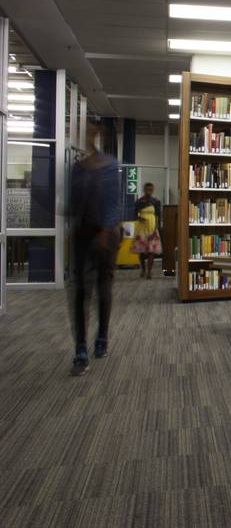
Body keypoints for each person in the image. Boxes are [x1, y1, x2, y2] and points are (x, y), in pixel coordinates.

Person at [68, 119, 120, 376]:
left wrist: (106, 231)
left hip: (106, 236)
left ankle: (102, 336)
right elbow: (71, 203)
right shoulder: (78, 168)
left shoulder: (111, 166)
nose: (88, 134)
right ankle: (80, 348)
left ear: (100, 134)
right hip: (81, 235)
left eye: (92, 130)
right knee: (80, 292)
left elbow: (113, 203)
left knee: (103, 288)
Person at [132, 183, 163, 279]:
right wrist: (139, 218)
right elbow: (134, 214)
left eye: (151, 189)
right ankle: (143, 269)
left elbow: (158, 215)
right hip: (141, 228)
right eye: (147, 189)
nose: (149, 191)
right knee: (141, 251)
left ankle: (149, 272)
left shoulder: (156, 201)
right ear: (144, 189)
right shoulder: (139, 201)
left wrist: (157, 227)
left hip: (152, 227)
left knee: (151, 251)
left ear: (153, 190)